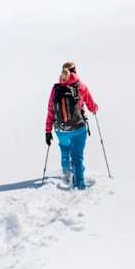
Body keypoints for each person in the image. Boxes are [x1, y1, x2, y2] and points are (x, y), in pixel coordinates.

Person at [45, 61, 99, 189]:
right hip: (78, 129)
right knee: (77, 157)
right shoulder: (82, 87)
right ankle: (79, 184)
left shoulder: (56, 89)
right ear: (75, 71)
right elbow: (92, 107)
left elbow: (51, 110)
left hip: (61, 130)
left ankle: (66, 174)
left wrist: (48, 131)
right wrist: (95, 108)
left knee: (65, 150)